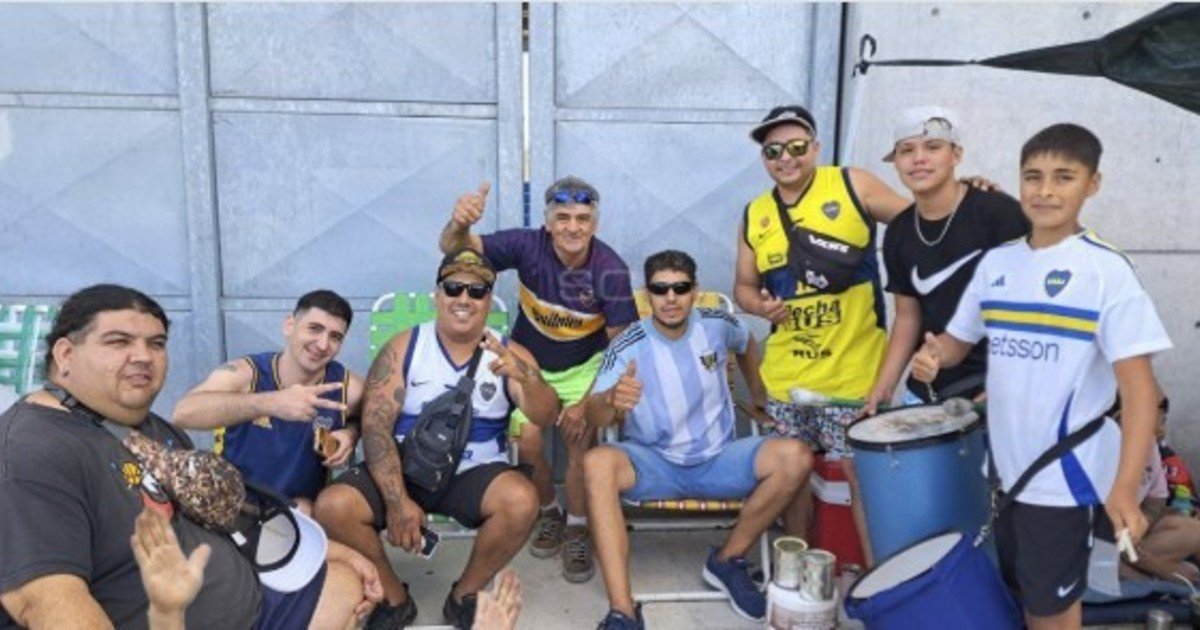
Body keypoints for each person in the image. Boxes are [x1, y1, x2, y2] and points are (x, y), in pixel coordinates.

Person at [911, 124, 1171, 629]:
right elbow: (958, 341)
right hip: (1004, 472)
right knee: (1022, 599)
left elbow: (1140, 392)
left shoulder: (1106, 271)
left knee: (1051, 613)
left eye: (1063, 177)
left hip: (1065, 478)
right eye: (1033, 177)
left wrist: (1124, 489)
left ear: (1092, 184)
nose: (1045, 190)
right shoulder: (997, 263)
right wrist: (933, 356)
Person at [0, 284, 378, 629]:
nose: (143, 357)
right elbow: (48, 605)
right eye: (118, 342)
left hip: (250, 572)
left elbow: (222, 515)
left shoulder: (148, 426)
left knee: (350, 587)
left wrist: (338, 550)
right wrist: (273, 402)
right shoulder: (34, 451)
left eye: (156, 344)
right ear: (65, 354)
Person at [314, 249, 561, 629]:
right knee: (333, 506)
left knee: (521, 500)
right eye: (453, 287)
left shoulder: (510, 354)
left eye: (477, 291)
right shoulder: (404, 347)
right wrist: (397, 502)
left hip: (474, 472)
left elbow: (545, 415)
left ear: (488, 299)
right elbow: (376, 428)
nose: (464, 298)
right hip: (404, 465)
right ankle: (393, 599)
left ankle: (465, 595)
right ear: (438, 294)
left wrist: (526, 376)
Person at [583, 250, 812, 629]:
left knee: (798, 455)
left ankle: (727, 559)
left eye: (680, 287)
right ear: (648, 294)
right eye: (660, 289)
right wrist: (610, 400)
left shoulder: (718, 324)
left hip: (719, 458)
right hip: (653, 463)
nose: (670, 298)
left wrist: (758, 392)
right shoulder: (626, 345)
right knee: (596, 463)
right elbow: (592, 414)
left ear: (695, 290)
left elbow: (747, 343)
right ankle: (623, 612)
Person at [733, 104, 912, 561]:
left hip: (854, 379)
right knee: (792, 475)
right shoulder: (756, 213)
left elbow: (922, 221)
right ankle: (801, 566)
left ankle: (875, 578)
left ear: (815, 147)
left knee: (861, 478)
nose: (785, 158)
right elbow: (743, 287)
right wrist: (759, 306)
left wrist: (964, 196)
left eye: (796, 147)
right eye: (773, 150)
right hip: (787, 381)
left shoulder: (852, 185)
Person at [439, 176, 638, 583]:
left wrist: (585, 401)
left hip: (585, 366)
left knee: (579, 439)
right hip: (530, 359)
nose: (572, 227)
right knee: (528, 441)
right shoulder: (527, 245)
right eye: (562, 217)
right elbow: (454, 252)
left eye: (582, 218)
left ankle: (578, 527)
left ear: (595, 224)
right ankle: (549, 512)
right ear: (547, 222)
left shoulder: (610, 269)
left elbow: (622, 348)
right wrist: (459, 224)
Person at [865, 106, 1029, 413]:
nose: (919, 159)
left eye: (933, 147)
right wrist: (884, 386)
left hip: (997, 390)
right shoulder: (898, 231)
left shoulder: (999, 213)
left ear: (956, 155)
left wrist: (1010, 382)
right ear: (896, 161)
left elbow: (1035, 306)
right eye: (906, 150)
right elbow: (908, 318)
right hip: (929, 386)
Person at [173, 289, 363, 512]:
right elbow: (183, 413)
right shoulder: (247, 373)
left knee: (308, 510)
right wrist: (272, 402)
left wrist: (351, 434)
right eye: (314, 329)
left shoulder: (346, 387)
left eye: (335, 337)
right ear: (289, 325)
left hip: (296, 512)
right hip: (233, 506)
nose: (322, 344)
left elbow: (375, 421)